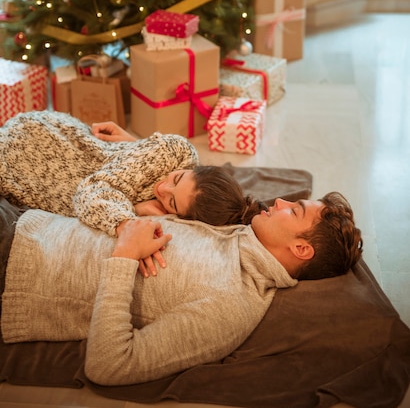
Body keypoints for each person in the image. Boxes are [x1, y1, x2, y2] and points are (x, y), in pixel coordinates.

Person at [0, 189, 363, 386]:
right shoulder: (242, 232)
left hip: (13, 271)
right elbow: (199, 183)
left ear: (301, 249)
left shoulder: (231, 305)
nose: (280, 201)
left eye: (294, 209)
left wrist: (125, 256)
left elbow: (109, 367)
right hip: (28, 221)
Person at [0, 111, 265, 240]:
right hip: (36, 144)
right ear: (194, 168)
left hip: (50, 179)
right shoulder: (176, 150)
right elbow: (91, 191)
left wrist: (132, 146)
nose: (162, 189)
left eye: (172, 202)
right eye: (177, 178)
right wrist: (127, 220)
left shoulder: (181, 223)